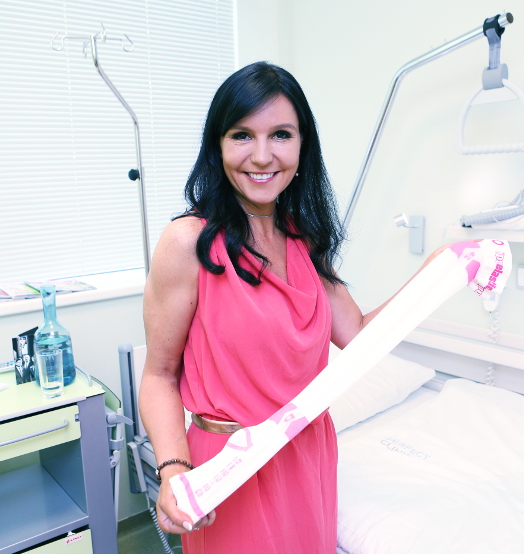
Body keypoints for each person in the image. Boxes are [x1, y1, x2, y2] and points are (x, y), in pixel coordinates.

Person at [139, 61, 437, 554]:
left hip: (307, 453)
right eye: (242, 135)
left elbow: (359, 335)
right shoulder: (188, 242)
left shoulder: (304, 238)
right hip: (230, 468)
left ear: (302, 146)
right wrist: (174, 470)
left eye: (280, 134)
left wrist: (438, 271)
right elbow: (159, 376)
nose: (262, 156)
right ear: (218, 145)